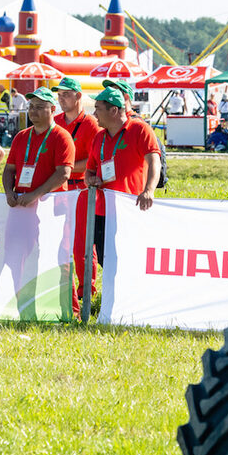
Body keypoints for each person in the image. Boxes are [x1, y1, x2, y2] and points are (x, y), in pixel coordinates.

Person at [74, 87, 161, 313]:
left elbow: (154, 161)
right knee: (107, 260)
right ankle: (113, 302)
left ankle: (133, 302)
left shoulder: (140, 129)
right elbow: (89, 173)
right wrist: (91, 179)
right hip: (102, 210)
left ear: (114, 110)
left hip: (131, 209)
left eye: (98, 109)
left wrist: (149, 189)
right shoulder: (99, 138)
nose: (94, 114)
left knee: (129, 260)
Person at [3, 88, 74, 207]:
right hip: (21, 204)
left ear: (53, 109)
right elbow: (9, 169)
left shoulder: (62, 137)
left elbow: (63, 173)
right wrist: (9, 192)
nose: (33, 111)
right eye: (31, 106)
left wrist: (35, 195)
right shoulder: (21, 136)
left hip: (50, 206)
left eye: (39, 107)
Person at [53, 76, 98, 189]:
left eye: (66, 94)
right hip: (55, 186)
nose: (61, 99)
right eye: (59, 95)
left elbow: (94, 160)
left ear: (78, 96)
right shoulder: (54, 121)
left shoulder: (91, 124)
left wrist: (64, 168)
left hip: (79, 187)